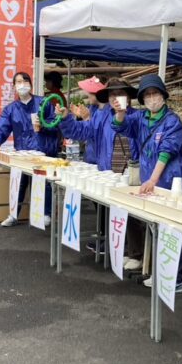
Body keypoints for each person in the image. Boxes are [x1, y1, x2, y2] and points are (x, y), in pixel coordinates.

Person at [112, 73, 182, 291]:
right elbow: (120, 127)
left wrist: (153, 179)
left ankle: (175, 279)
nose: (152, 98)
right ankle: (161, 273)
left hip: (170, 180)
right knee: (156, 228)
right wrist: (120, 113)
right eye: (147, 95)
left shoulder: (172, 121)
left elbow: (167, 152)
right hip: (151, 180)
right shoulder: (140, 118)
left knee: (172, 229)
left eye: (155, 93)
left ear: (163, 95)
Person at [57, 77, 143, 258]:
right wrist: (66, 118)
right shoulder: (101, 116)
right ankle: (119, 249)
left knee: (134, 216)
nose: (116, 98)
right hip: (109, 175)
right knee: (114, 213)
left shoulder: (139, 116)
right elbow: (81, 131)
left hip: (133, 175)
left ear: (128, 97)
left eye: (120, 94)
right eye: (112, 95)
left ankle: (135, 253)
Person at [0, 71, 59, 227]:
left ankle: (46, 213)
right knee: (19, 183)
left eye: (25, 81)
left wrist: (43, 125)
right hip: (22, 153)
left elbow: (55, 123)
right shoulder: (11, 109)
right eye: (18, 82)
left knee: (44, 183)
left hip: (43, 151)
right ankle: (14, 214)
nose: (22, 85)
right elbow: (2, 127)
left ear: (30, 84)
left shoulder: (43, 103)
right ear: (14, 86)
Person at [69, 76, 106, 165]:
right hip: (89, 158)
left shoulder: (106, 112)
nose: (87, 94)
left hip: (99, 161)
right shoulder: (92, 107)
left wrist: (87, 119)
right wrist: (80, 116)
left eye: (90, 92)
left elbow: (95, 133)